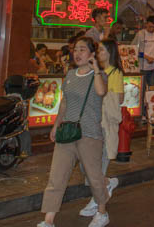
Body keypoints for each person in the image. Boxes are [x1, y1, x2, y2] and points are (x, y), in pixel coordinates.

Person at [39, 37, 109, 227]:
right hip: (67, 131)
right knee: (57, 176)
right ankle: (49, 220)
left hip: (89, 134)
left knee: (94, 177)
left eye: (82, 50)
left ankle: (102, 212)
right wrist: (56, 124)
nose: (77, 53)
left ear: (91, 54)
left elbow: (101, 92)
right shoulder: (70, 75)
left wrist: (96, 70)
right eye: (75, 49)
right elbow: (64, 102)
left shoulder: (99, 75)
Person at [79, 39, 123, 218]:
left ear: (110, 53)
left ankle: (98, 205)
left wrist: (101, 95)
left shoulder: (115, 73)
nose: (99, 53)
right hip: (91, 123)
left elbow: (119, 99)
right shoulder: (97, 72)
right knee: (86, 164)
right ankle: (107, 184)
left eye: (103, 50)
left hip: (104, 124)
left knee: (99, 163)